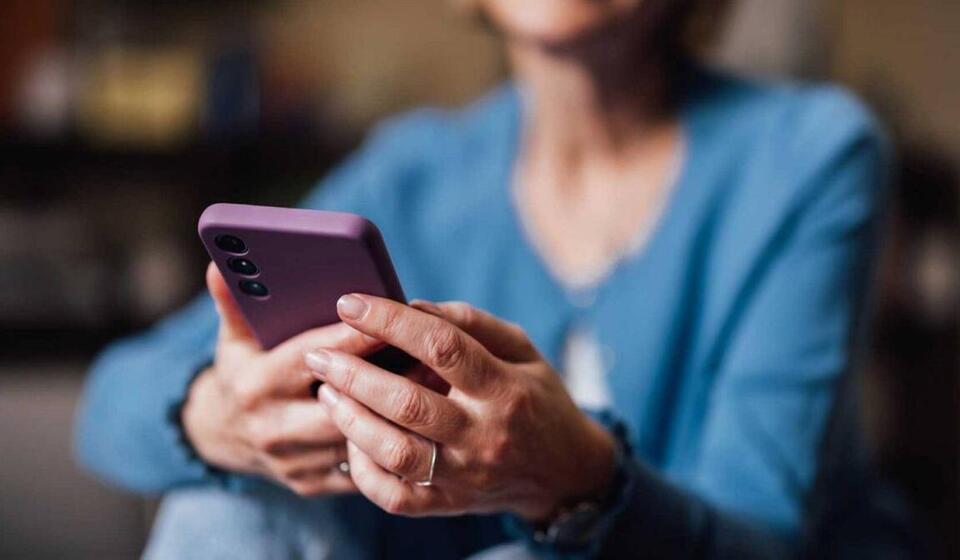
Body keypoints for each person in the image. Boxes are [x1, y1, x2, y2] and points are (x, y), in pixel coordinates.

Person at [75, 0, 894, 557]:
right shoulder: (415, 171)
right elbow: (110, 401)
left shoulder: (809, 156)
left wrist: (581, 478)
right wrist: (219, 417)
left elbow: (764, 537)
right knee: (220, 507)